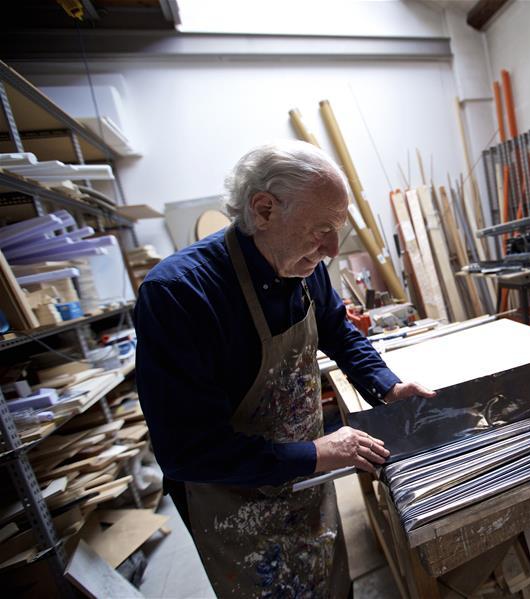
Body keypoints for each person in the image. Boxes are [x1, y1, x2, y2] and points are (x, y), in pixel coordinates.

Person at [134, 140, 433, 598]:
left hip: (307, 480)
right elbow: (187, 451)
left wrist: (387, 387)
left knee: (329, 580)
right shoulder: (179, 295)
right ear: (265, 209)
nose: (333, 248)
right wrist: (318, 452)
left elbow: (337, 329)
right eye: (323, 229)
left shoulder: (302, 261)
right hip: (236, 504)